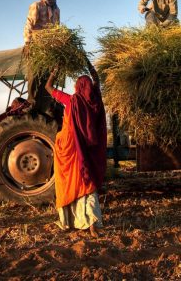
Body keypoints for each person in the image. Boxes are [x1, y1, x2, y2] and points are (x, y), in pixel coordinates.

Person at [45, 60, 107, 237]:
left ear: (79, 87)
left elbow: (48, 87)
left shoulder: (72, 100)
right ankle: (93, 223)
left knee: (70, 181)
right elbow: (96, 79)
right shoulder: (95, 100)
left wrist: (55, 69)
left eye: (75, 84)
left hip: (69, 148)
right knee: (87, 182)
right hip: (87, 150)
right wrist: (87, 62)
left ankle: (70, 221)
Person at [23, 0, 61, 111]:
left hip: (49, 49)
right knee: (34, 74)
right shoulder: (37, 6)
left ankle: (44, 105)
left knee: (48, 76)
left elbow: (57, 29)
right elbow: (29, 24)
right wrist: (27, 43)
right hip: (36, 46)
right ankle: (31, 102)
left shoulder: (56, 10)